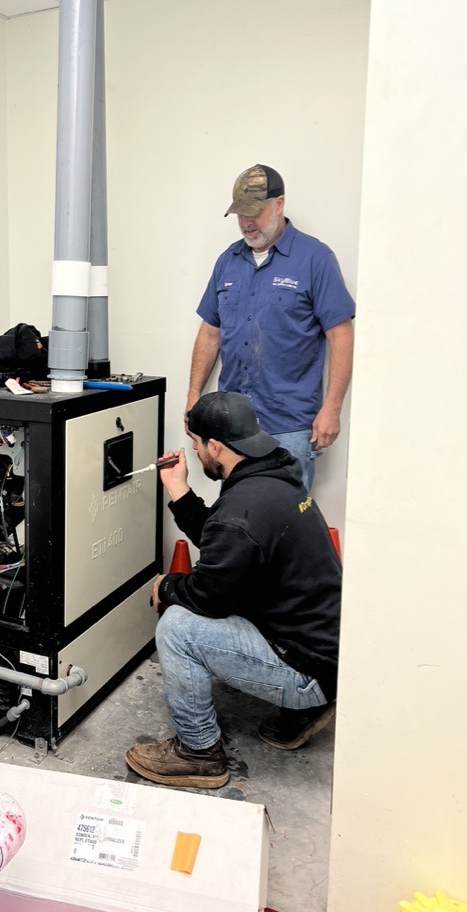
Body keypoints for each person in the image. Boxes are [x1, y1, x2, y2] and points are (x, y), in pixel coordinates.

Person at [125, 391, 341, 789]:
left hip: (305, 670)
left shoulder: (243, 506)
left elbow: (209, 594)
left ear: (215, 446)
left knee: (178, 626)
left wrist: (167, 585)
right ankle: (302, 713)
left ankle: (198, 753)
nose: (195, 453)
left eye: (196, 445)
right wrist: (177, 488)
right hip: (324, 652)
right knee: (200, 607)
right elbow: (227, 547)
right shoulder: (272, 476)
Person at [186, 164, 355, 490]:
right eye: (240, 215)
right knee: (238, 521)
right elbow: (210, 332)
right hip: (233, 426)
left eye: (255, 212)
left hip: (289, 425)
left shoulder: (315, 259)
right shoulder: (227, 261)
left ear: (279, 204)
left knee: (287, 524)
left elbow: (340, 334)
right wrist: (194, 396)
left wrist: (332, 408)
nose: (247, 223)